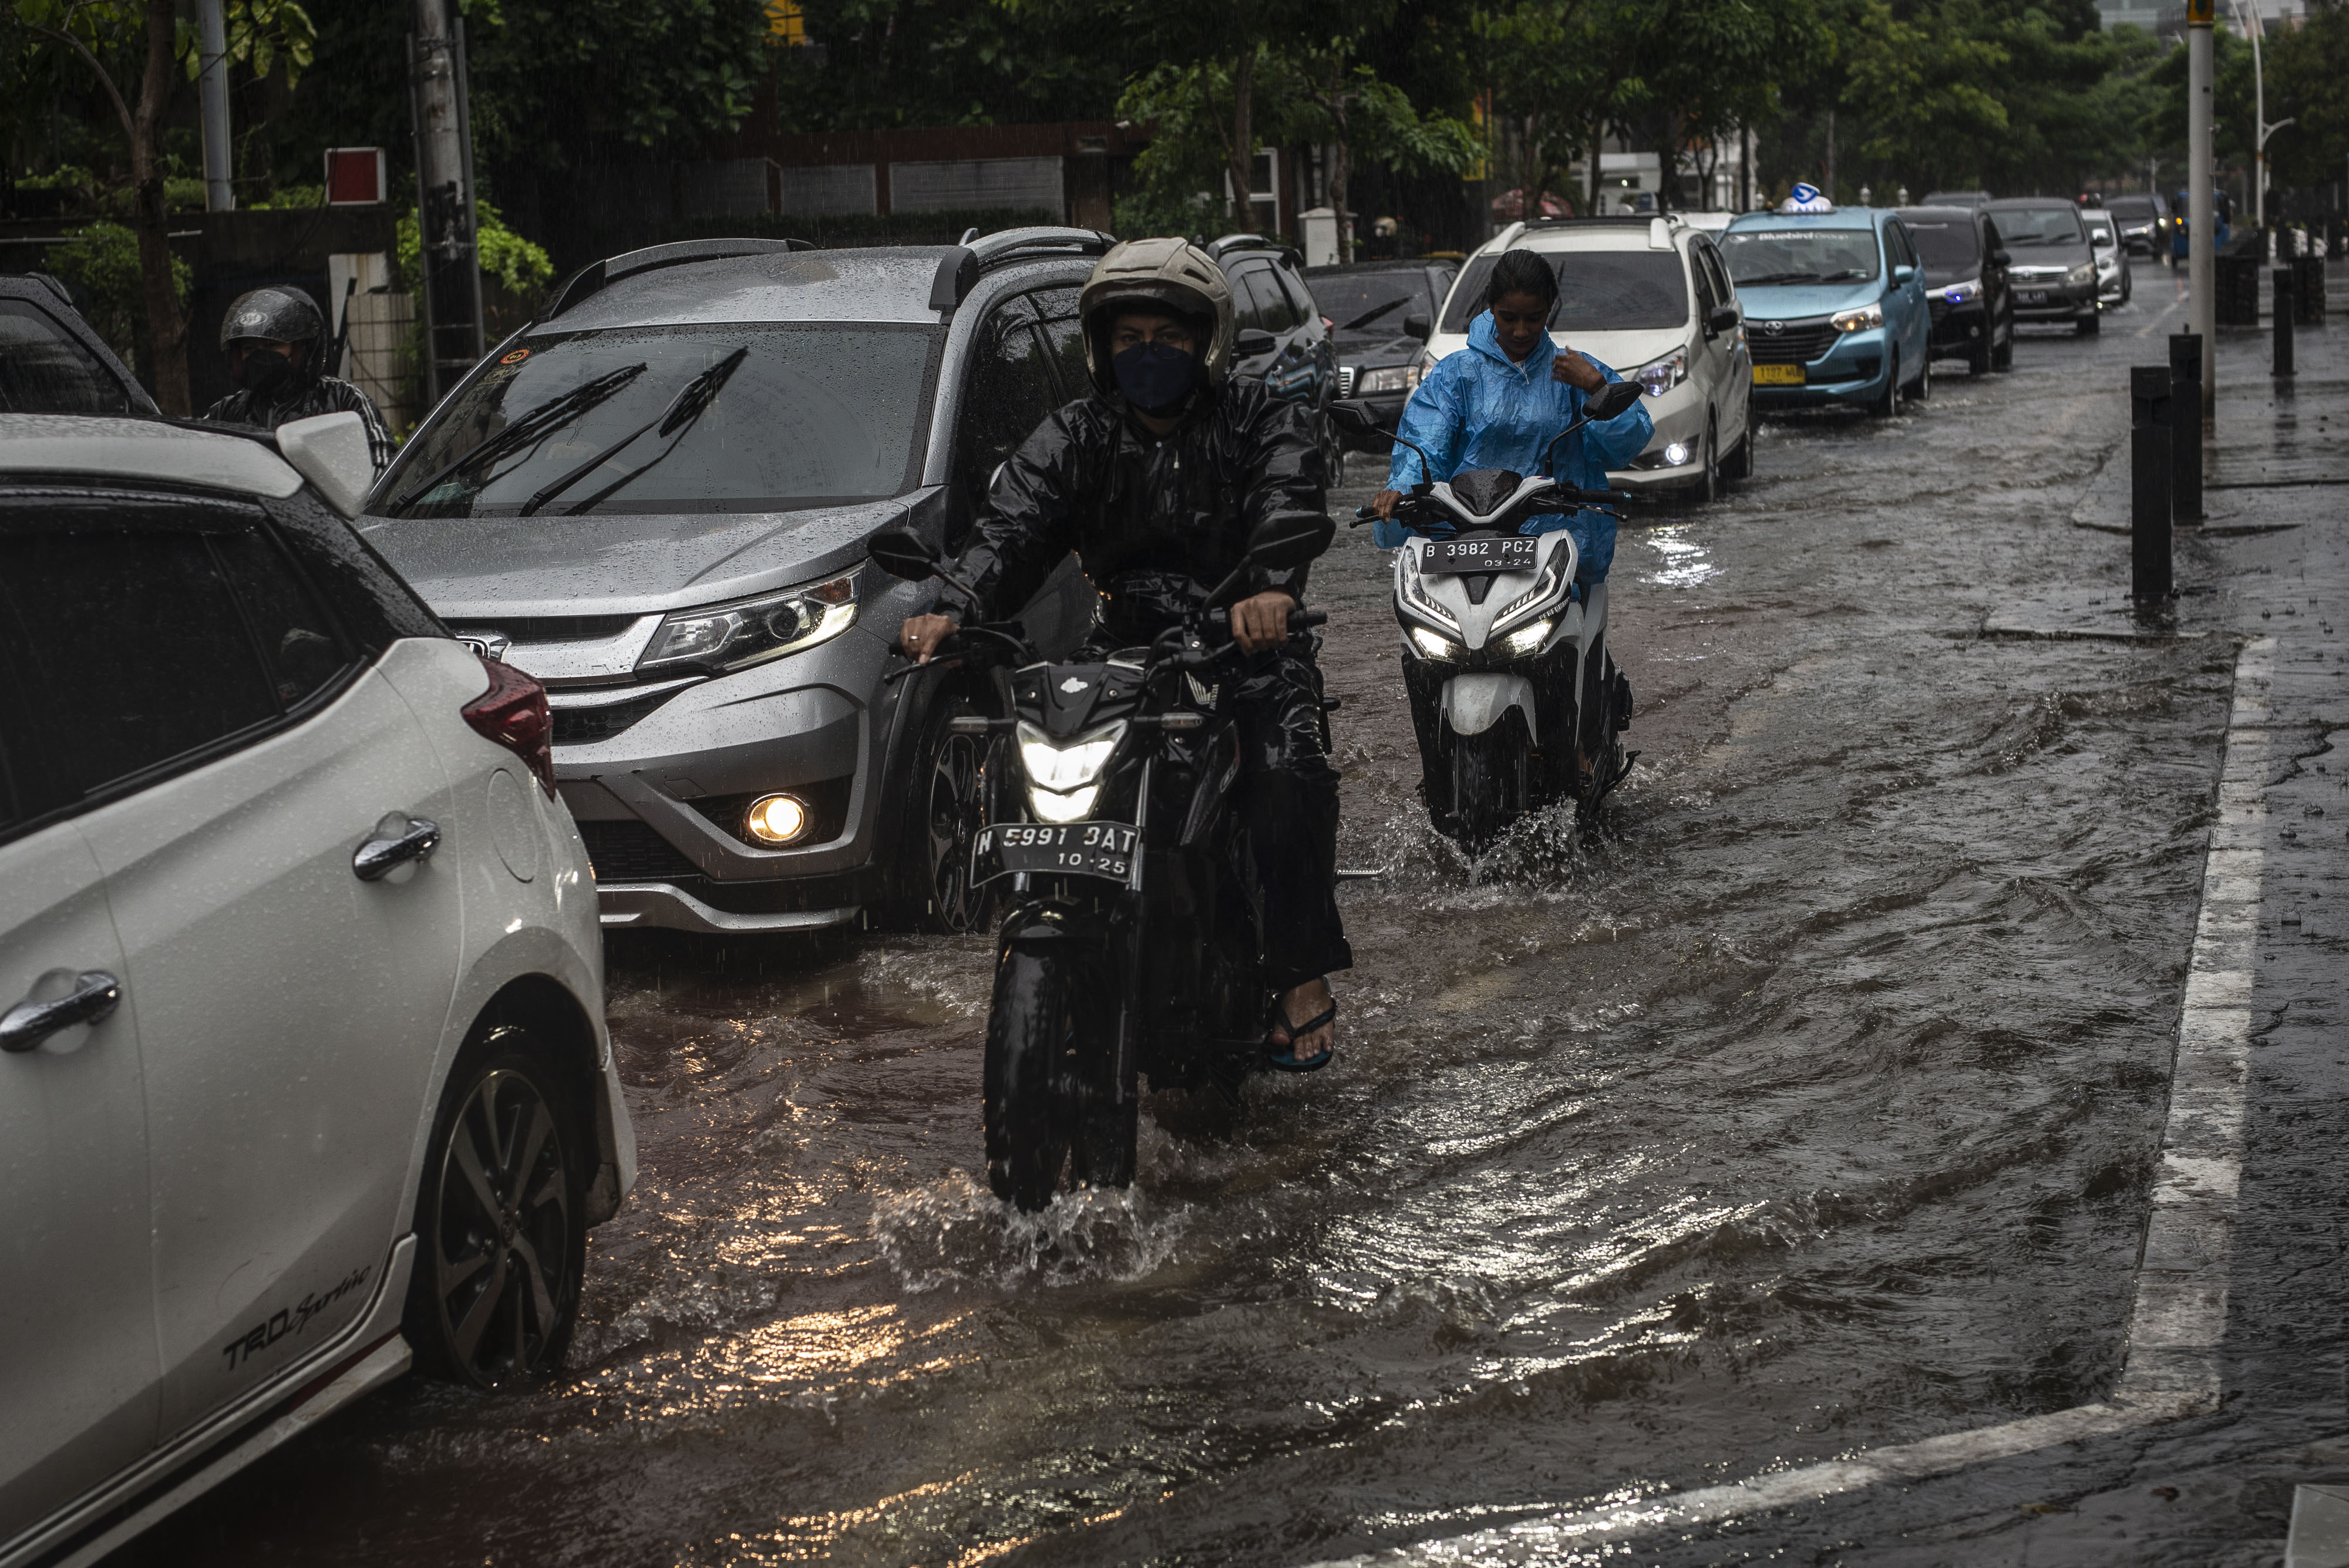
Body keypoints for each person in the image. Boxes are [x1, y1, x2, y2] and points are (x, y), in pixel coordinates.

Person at [897, 237, 1352, 1071]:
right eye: (1129, 337)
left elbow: (1288, 495)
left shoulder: (1259, 417)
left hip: (1243, 641)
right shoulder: (1075, 433)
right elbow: (1011, 526)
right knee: (1043, 754)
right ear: (1101, 346)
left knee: (1286, 770)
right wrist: (954, 608)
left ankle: (1297, 970)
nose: (1148, 354)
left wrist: (1270, 589)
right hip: (1122, 642)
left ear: (1206, 342)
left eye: (1168, 337)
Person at [1369, 247, 1653, 789]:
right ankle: (1439, 762)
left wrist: (1595, 387)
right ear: (1490, 310)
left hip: (1552, 540)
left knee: (1564, 633)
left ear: (1550, 312)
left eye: (1534, 318)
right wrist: (1401, 490)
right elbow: (1424, 443)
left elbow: (1631, 438)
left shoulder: (1573, 371)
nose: (1521, 331)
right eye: (1509, 318)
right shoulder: (1457, 375)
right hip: (1465, 539)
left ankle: (1578, 743)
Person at [201, 287, 395, 473]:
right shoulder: (228, 411)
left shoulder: (342, 399)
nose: (261, 356)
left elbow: (383, 466)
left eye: (272, 345)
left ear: (302, 350)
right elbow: (197, 459)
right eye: (249, 349)